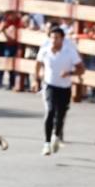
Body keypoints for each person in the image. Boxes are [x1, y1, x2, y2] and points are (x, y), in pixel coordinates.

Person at [35, 27, 85, 156]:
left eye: (57, 38)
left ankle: (56, 136)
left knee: (60, 115)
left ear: (62, 39)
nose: (54, 40)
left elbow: (81, 69)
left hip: (64, 88)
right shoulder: (45, 50)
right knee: (50, 111)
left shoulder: (69, 52)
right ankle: (46, 143)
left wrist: (69, 73)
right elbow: (38, 64)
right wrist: (36, 79)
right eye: (52, 37)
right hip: (49, 86)